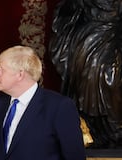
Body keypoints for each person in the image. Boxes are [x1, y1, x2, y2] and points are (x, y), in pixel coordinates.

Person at [49, 0, 122, 148]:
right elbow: (66, 11)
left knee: (113, 77)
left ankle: (114, 129)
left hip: (116, 35)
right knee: (97, 75)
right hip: (91, 36)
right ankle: (98, 129)